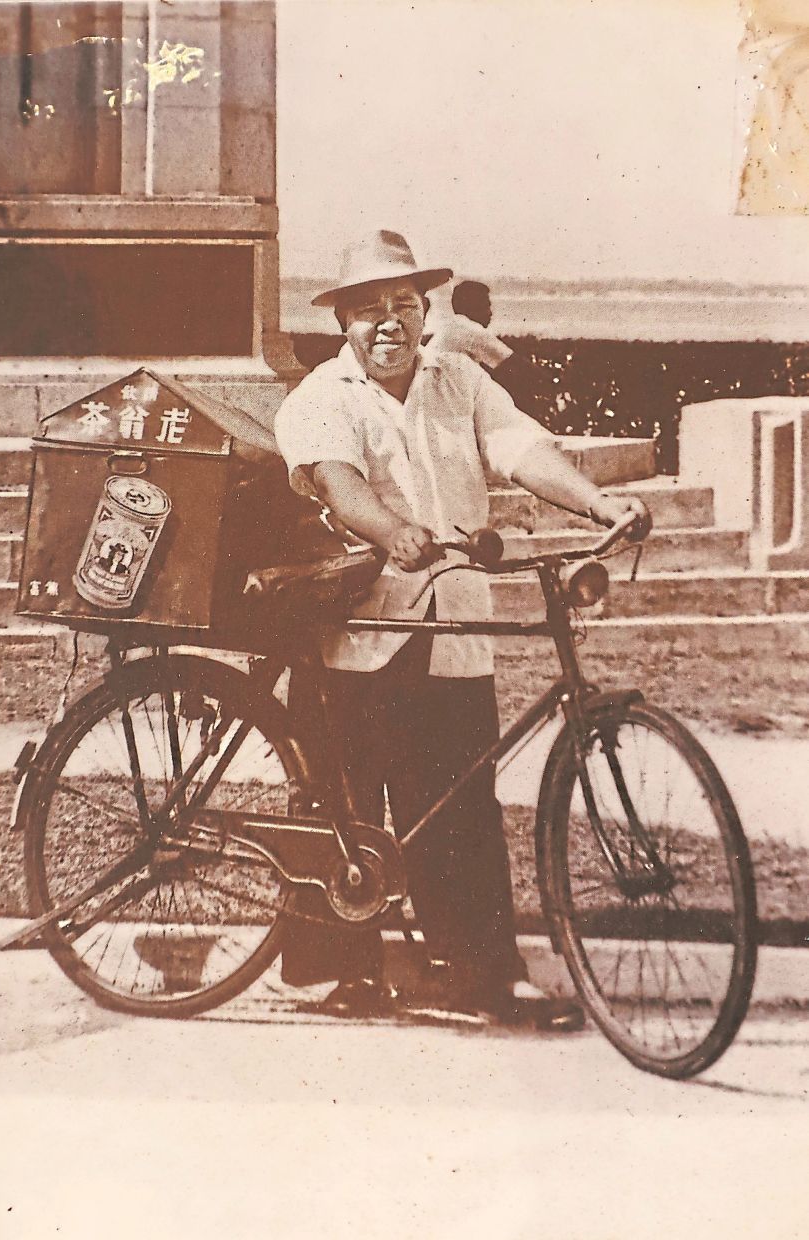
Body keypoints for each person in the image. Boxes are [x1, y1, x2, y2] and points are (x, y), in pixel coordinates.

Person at [274, 230, 648, 1027]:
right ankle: (344, 973)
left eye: (404, 307)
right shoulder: (320, 397)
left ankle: (483, 979)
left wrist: (596, 502)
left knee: (462, 803)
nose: (388, 324)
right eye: (369, 310)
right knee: (347, 805)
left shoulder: (459, 380)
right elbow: (337, 483)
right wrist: (390, 533)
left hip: (452, 619)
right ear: (342, 321)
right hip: (357, 627)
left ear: (425, 312)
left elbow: (519, 448)